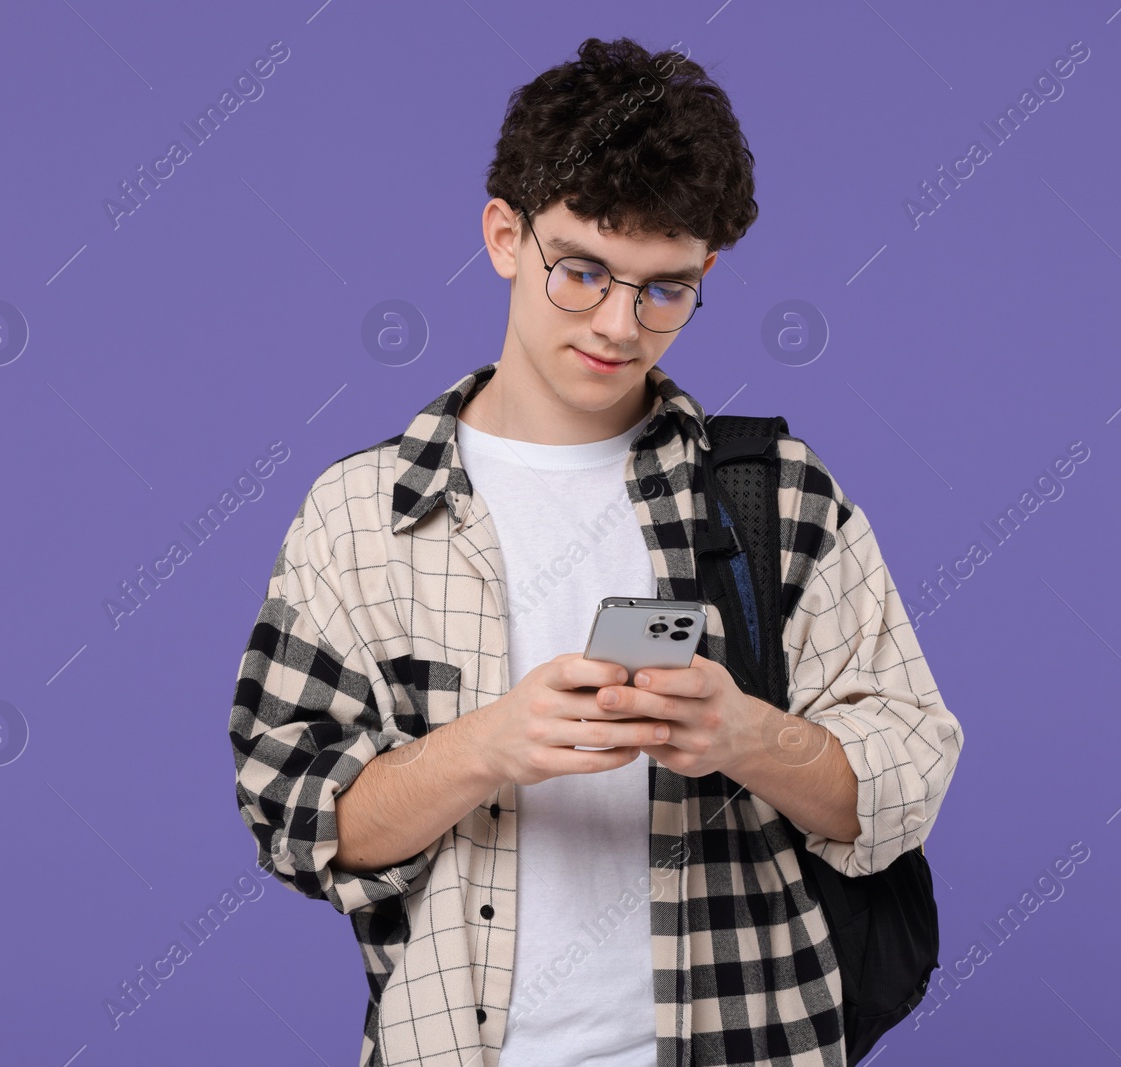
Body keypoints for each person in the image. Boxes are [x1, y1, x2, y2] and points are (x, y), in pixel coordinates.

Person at [228, 36, 964, 1067]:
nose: (619, 324)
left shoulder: (775, 491)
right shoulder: (362, 515)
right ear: (502, 235)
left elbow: (902, 778)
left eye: (665, 288)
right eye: (582, 271)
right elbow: (296, 814)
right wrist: (487, 744)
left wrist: (743, 733)